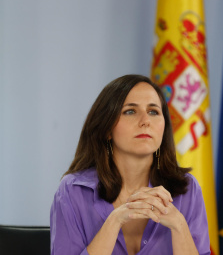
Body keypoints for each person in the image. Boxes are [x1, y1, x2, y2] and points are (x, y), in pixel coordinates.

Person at [50, 74, 210, 255]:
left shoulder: (187, 190)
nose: (145, 121)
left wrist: (179, 226)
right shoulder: (73, 191)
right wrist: (114, 221)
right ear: (107, 129)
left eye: (153, 111)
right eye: (130, 111)